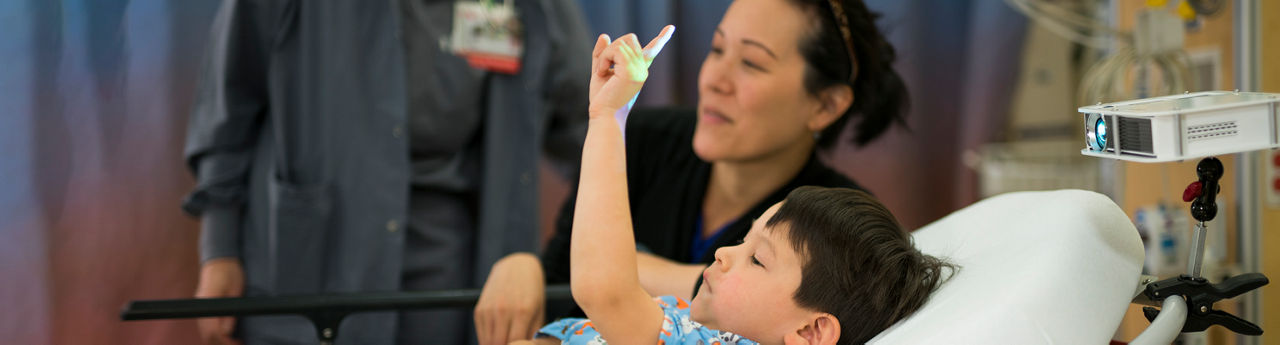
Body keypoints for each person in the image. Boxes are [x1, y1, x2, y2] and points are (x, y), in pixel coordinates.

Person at [475, 0, 909, 343]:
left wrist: (607, 117)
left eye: (752, 63)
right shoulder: (646, 140)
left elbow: (597, 283)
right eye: (717, 49)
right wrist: (524, 266)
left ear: (826, 104)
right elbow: (564, 271)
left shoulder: (830, 232)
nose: (715, 79)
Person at [183, 0, 590, 344]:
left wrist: (624, 250)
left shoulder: (535, 7)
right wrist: (219, 249)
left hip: (458, 276)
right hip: (314, 262)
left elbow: (590, 128)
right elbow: (229, 105)